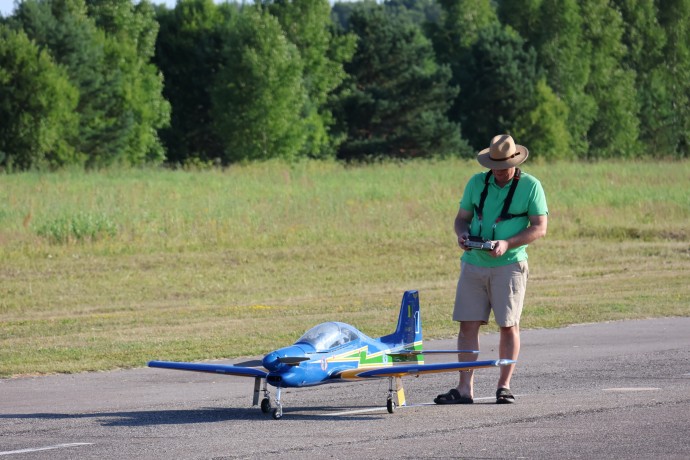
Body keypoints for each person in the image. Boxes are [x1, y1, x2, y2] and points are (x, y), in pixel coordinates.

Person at [434, 134, 548, 405]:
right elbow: (462, 218)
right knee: (467, 325)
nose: (497, 171)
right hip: (474, 263)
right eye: (493, 165)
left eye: (502, 165)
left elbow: (539, 227)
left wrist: (507, 243)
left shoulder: (531, 186)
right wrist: (462, 236)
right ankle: (464, 389)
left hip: (509, 265)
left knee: (508, 325)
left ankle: (504, 386)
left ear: (514, 161)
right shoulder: (476, 182)